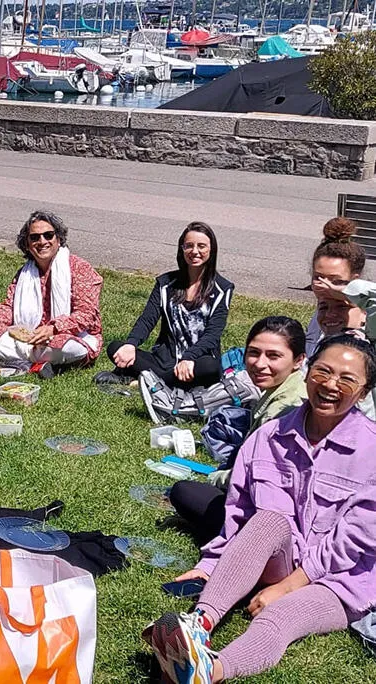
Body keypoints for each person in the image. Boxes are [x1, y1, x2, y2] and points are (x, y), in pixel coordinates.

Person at [148, 335, 376, 683]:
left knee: (280, 617)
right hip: (280, 557)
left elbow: (353, 543)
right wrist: (211, 565)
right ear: (307, 370)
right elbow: (238, 514)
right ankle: (199, 623)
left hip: (340, 580)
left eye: (347, 379)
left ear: (363, 392)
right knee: (269, 519)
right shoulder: (268, 436)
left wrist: (285, 589)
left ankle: (207, 671)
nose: (330, 385)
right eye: (323, 372)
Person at [169, 317, 308, 545]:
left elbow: (257, 476)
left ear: (298, 360)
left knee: (183, 492)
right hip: (266, 502)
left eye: (273, 356)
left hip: (266, 516)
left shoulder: (284, 409)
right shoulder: (284, 389)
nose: (260, 363)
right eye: (253, 353)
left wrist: (217, 479)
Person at [97, 222, 232, 389]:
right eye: (189, 246)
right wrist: (131, 344)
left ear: (211, 250)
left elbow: (213, 335)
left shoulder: (222, 289)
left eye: (201, 246)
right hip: (163, 361)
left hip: (197, 363)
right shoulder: (165, 284)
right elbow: (147, 320)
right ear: (181, 249)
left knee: (211, 368)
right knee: (116, 348)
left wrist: (188, 358)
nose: (195, 251)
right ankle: (164, 381)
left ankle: (145, 381)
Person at [0, 210, 103, 373]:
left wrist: (53, 329)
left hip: (70, 336)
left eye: (48, 235)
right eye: (35, 237)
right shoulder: (25, 273)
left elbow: (86, 315)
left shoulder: (79, 268)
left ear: (58, 239)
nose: (42, 241)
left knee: (67, 348)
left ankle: (21, 358)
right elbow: (8, 308)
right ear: (27, 244)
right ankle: (35, 362)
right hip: (30, 335)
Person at [305, 217, 366, 356]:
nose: (325, 286)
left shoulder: (366, 312)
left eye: (335, 281)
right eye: (318, 277)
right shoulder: (320, 315)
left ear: (355, 280)